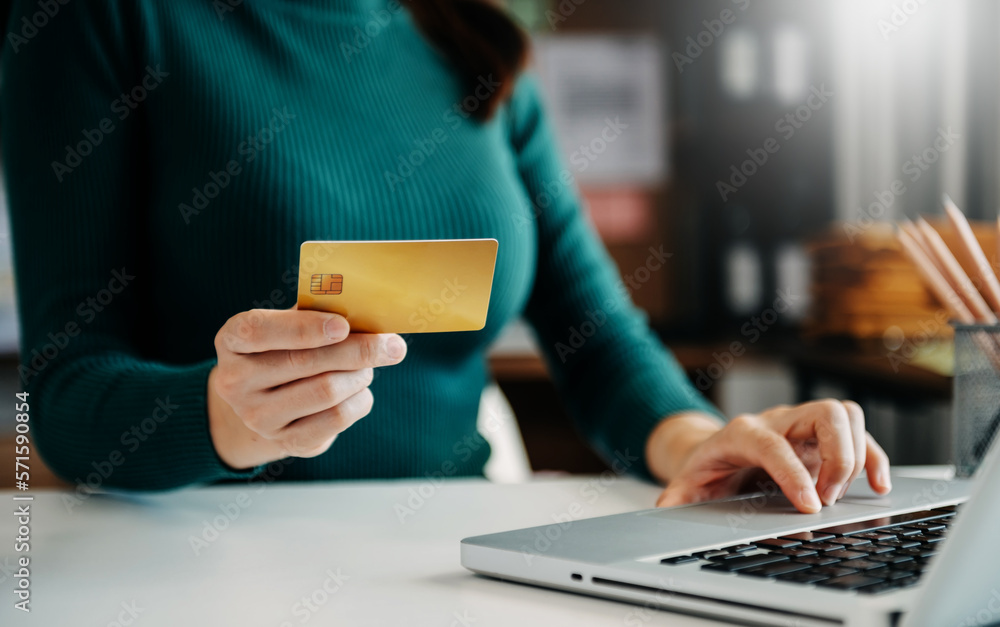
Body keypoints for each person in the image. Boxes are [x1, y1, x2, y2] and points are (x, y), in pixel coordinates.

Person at [0, 0, 890, 512]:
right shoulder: (100, 17)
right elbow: (64, 395)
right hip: (200, 560)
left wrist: (709, 440)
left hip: (448, 555)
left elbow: (598, 339)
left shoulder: (473, 38)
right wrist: (219, 415)